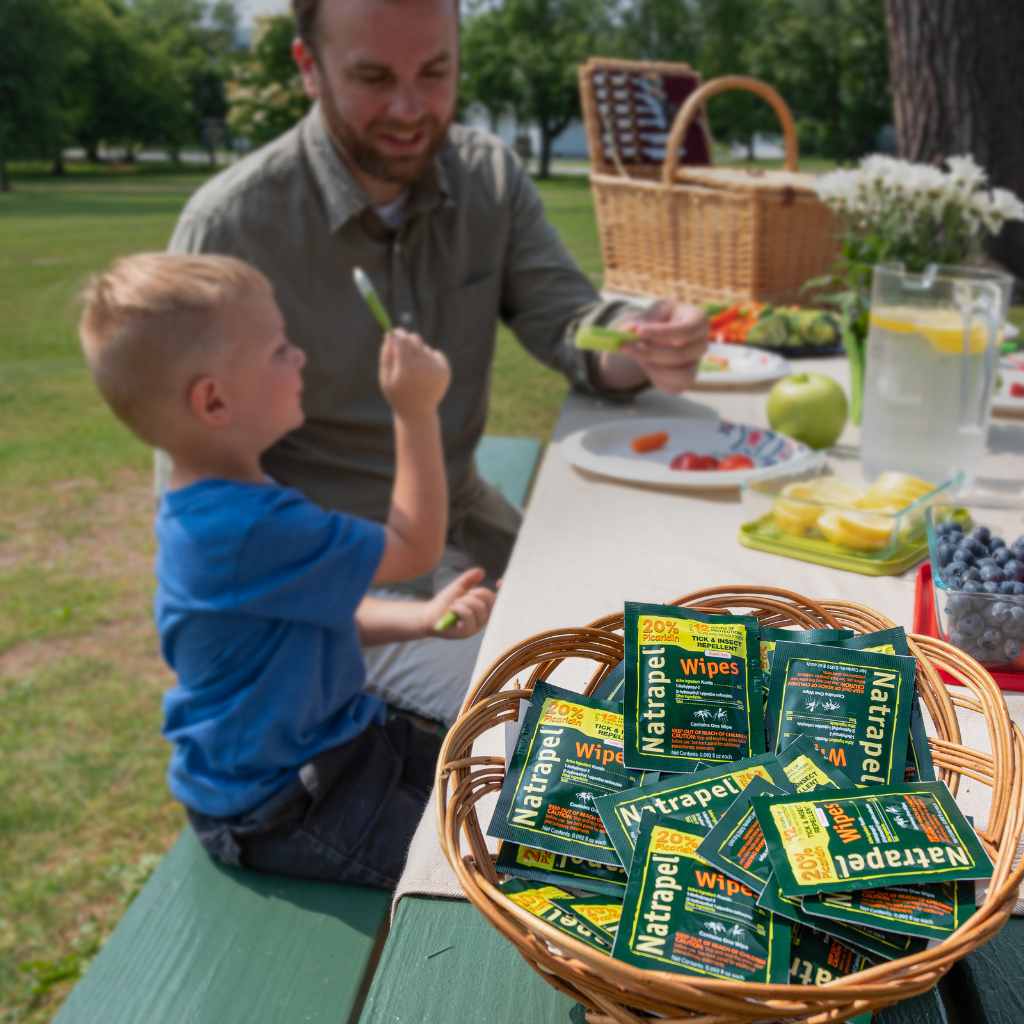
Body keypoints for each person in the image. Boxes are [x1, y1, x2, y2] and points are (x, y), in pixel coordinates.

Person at [165, 0, 709, 721]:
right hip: (341, 582)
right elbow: (195, 509)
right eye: (372, 76)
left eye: (435, 71)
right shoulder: (232, 227)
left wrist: (646, 344)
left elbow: (572, 324)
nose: (409, 107)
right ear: (308, 68)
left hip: (468, 523)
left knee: (675, 646)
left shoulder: (487, 176)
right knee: (572, 723)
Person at [78, 251, 495, 887]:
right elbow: (415, 547)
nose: (298, 357)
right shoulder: (244, 527)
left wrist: (417, 617)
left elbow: (314, 609)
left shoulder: (226, 504)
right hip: (280, 800)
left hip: (341, 741)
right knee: (473, 865)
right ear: (213, 401)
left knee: (496, 784)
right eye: (278, 351)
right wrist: (415, 410)